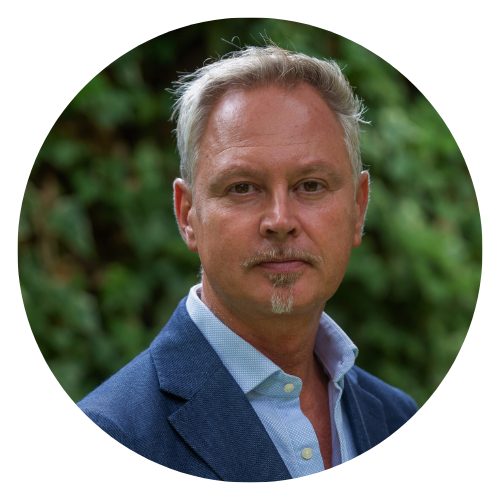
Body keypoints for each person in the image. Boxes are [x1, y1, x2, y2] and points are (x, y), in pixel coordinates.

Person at [78, 45, 418, 481]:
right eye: (243, 187)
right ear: (188, 215)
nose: (280, 221)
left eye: (311, 185)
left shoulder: (396, 419)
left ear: (358, 207)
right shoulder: (111, 439)